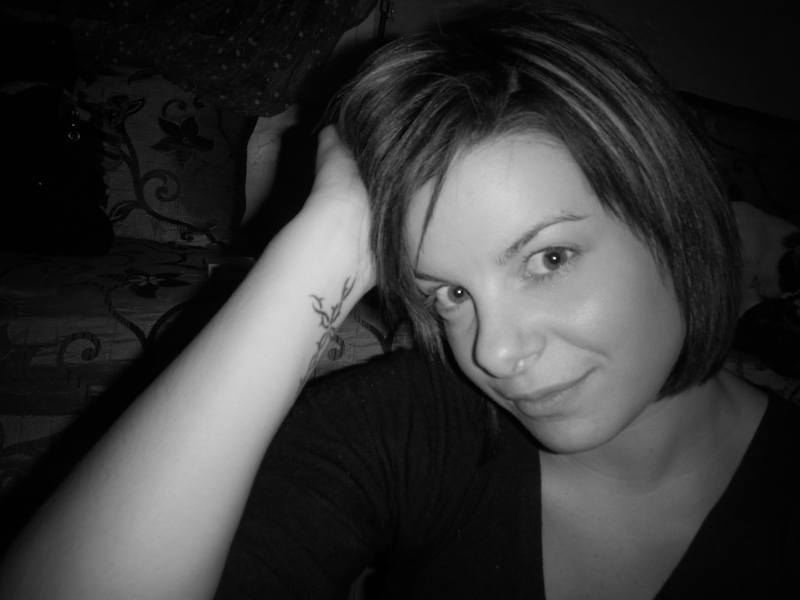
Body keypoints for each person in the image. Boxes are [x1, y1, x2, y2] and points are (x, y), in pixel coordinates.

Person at [1, 4, 798, 599]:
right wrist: (325, 242)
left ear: (671, 216)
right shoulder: (421, 423)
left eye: (548, 259)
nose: (492, 352)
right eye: (447, 292)